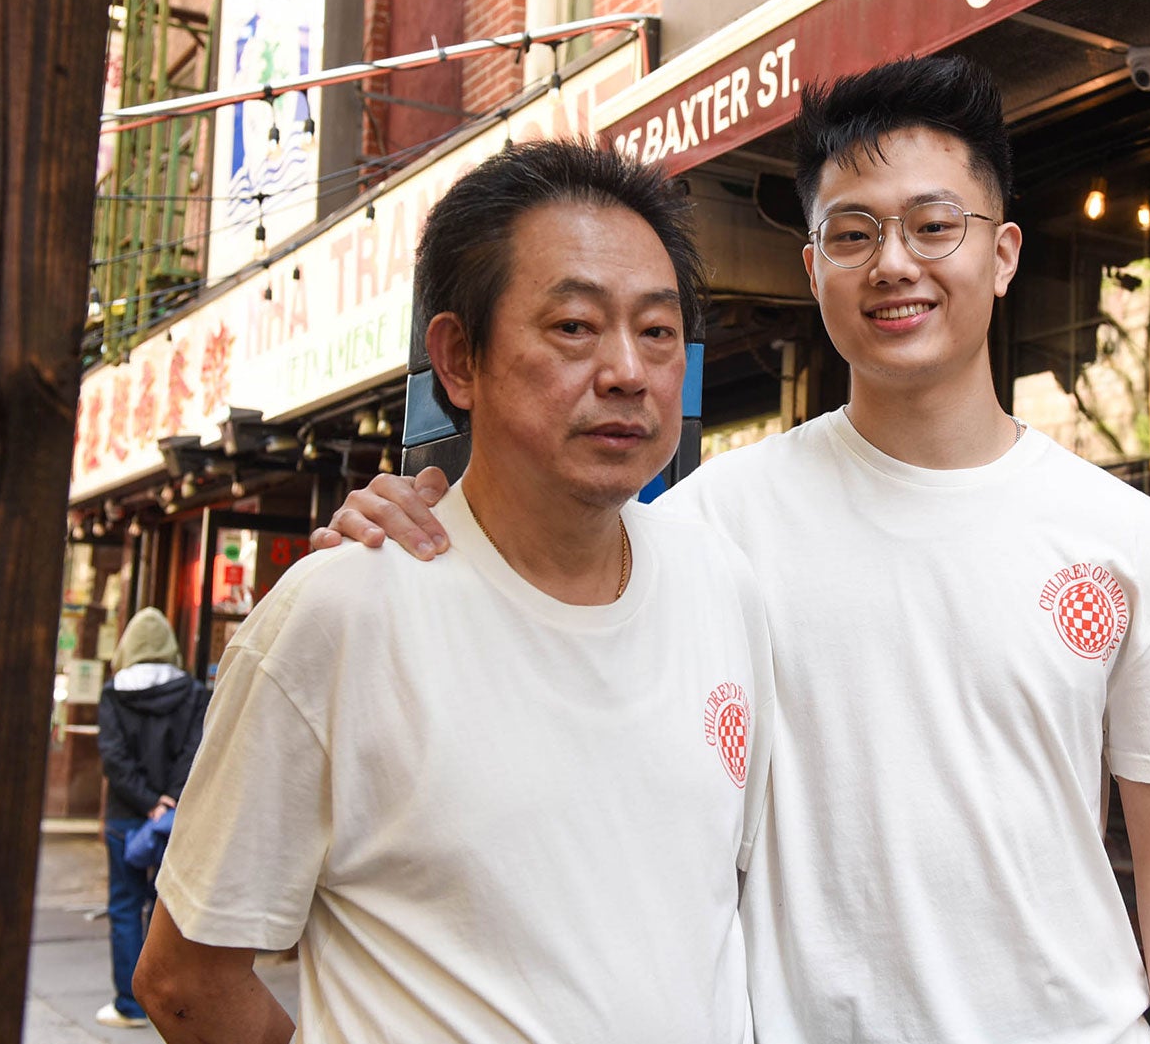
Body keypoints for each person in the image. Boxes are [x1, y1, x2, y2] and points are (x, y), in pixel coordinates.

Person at [318, 57, 1150, 1043]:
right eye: (852, 232)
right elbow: (529, 580)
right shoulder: (705, 524)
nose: (892, 262)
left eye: (933, 225)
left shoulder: (1130, 543)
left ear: (1003, 252)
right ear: (813, 268)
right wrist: (412, 518)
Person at [132, 140, 773, 1044]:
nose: (628, 369)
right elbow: (186, 978)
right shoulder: (343, 612)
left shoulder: (722, 585)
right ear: (459, 360)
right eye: (575, 327)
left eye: (658, 331)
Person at [94, 606, 210, 1029]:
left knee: (125, 907)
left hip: (127, 818)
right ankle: (172, 1004)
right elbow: (196, 751)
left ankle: (129, 1003)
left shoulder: (113, 693)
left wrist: (146, 802)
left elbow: (114, 759)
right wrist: (170, 801)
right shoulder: (195, 693)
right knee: (171, 910)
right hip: (176, 821)